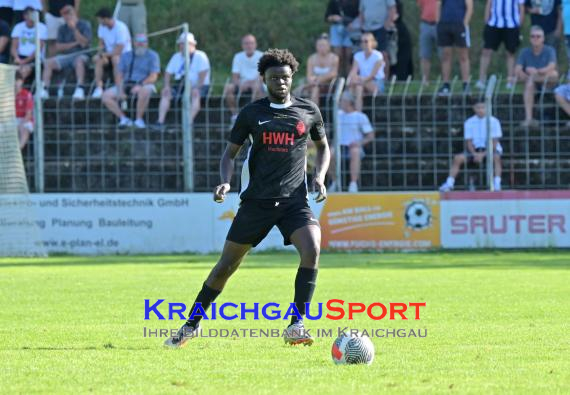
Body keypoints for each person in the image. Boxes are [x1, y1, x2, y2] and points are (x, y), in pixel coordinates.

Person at [164, 48, 330, 349]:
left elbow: (323, 147)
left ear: (293, 78)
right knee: (226, 267)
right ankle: (191, 325)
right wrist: (225, 182)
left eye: (285, 77)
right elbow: (230, 154)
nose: (281, 82)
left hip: (295, 201)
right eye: (274, 78)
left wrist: (319, 176)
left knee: (313, 248)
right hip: (256, 203)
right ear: (263, 79)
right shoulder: (252, 114)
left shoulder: (309, 111)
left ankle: (296, 324)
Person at [151, 32, 210, 132]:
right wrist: (166, 86)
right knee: (166, 94)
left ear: (192, 45)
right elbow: (168, 73)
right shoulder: (176, 56)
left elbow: (203, 74)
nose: (182, 46)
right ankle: (160, 122)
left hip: (199, 85)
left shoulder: (200, 56)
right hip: (180, 85)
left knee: (196, 95)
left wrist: (197, 88)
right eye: (181, 44)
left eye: (185, 44)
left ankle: (188, 123)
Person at [439, 100, 503, 192]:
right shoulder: (469, 122)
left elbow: (494, 142)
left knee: (497, 157)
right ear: (474, 108)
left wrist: (483, 154)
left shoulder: (494, 121)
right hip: (474, 150)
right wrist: (474, 154)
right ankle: (449, 183)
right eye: (478, 107)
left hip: (490, 150)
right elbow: (469, 141)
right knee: (458, 158)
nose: (481, 110)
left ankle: (497, 183)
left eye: (483, 107)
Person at [101, 33, 159, 129]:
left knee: (145, 91)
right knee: (106, 96)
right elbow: (119, 75)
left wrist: (140, 85)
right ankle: (123, 119)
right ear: (133, 43)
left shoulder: (153, 56)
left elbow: (154, 76)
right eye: (138, 42)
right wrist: (120, 90)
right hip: (126, 83)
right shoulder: (125, 56)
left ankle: (139, 120)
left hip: (144, 83)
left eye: (143, 42)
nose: (140, 44)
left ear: (147, 43)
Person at [40, 5, 91, 100]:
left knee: (79, 61)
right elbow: (59, 47)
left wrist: (74, 29)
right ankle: (44, 89)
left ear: (74, 14)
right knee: (48, 62)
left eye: (69, 14)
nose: (67, 17)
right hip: (66, 55)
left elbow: (84, 44)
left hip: (82, 54)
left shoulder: (84, 25)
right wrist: (75, 43)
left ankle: (80, 88)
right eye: (64, 15)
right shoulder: (62, 28)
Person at [328, 92, 374, 192]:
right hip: (339, 145)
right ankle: (335, 182)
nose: (339, 103)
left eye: (342, 101)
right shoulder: (338, 115)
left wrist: (359, 143)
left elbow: (370, 136)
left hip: (354, 145)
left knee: (355, 152)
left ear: (348, 102)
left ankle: (353, 184)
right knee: (328, 154)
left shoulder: (361, 117)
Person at [515, 25, 559, 127]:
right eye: (533, 36)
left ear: (543, 38)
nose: (535, 38)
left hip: (546, 80)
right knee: (529, 83)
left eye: (538, 36)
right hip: (533, 81)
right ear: (530, 38)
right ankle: (529, 118)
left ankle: (533, 79)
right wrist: (523, 74)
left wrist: (536, 72)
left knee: (554, 74)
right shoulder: (524, 51)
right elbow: (517, 69)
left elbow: (551, 66)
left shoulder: (549, 50)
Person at [477, 0, 525, 90]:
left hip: (512, 24)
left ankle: (510, 81)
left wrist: (519, 24)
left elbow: (521, 6)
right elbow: (489, 2)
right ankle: (481, 80)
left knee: (510, 53)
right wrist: (487, 20)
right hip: (494, 23)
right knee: (486, 51)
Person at [91, 7, 132, 99]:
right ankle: (99, 88)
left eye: (100, 20)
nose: (99, 22)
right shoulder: (102, 27)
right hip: (108, 54)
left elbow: (119, 50)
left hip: (124, 55)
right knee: (98, 60)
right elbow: (101, 43)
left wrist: (104, 55)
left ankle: (118, 87)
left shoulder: (121, 28)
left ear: (105, 19)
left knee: (115, 59)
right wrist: (100, 54)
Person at [224, 34, 263, 125]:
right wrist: (240, 83)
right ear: (242, 45)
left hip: (257, 84)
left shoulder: (261, 56)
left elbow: (262, 76)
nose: (249, 45)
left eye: (251, 43)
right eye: (246, 43)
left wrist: (253, 82)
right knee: (228, 88)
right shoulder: (238, 57)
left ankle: (254, 116)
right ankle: (235, 115)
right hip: (242, 84)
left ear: (255, 44)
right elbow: (235, 77)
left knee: (257, 87)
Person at [437, 0, 473, 95]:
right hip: (445, 24)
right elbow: (438, 4)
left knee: (463, 56)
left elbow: (470, 7)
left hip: (459, 24)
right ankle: (446, 85)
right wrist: (439, 22)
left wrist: (464, 23)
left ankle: (466, 84)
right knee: (446, 55)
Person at [348, 32, 385, 111]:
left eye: (366, 41)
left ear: (372, 42)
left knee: (357, 85)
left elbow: (372, 75)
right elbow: (353, 71)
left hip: (376, 83)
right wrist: (351, 79)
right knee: (358, 87)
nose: (363, 43)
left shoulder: (378, 56)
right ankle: (358, 114)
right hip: (361, 82)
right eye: (362, 41)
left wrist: (357, 80)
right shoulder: (358, 55)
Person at [325, 0, 361, 76]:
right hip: (336, 28)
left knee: (349, 56)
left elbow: (360, 15)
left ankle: (348, 77)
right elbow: (327, 17)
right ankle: (337, 76)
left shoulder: (356, 2)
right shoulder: (334, 2)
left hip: (350, 29)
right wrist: (333, 17)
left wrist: (353, 23)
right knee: (338, 55)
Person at [10, 6, 47, 81]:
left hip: (35, 59)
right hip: (20, 58)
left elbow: (39, 48)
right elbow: (13, 47)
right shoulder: (18, 27)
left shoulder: (42, 27)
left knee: (23, 71)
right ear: (24, 16)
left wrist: (24, 62)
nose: (30, 17)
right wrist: (17, 58)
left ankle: (21, 90)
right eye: (28, 15)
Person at [301, 34, 339, 104]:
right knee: (313, 88)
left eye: (323, 45)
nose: (321, 48)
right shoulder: (311, 58)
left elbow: (334, 73)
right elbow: (309, 75)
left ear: (328, 46)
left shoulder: (334, 58)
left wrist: (319, 79)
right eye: (319, 45)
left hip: (328, 85)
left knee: (314, 89)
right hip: (313, 84)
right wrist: (312, 80)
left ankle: (314, 113)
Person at [359, 0, 396, 71]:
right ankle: (369, 76)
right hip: (367, 28)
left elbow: (392, 8)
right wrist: (361, 26)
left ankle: (384, 79)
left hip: (381, 28)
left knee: (383, 54)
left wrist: (387, 24)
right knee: (367, 53)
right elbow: (361, 11)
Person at [389, 0, 413, 80]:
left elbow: (395, 17)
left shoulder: (396, 3)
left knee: (402, 60)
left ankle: (401, 79)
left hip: (399, 33)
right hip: (391, 31)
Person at [417, 0, 439, 84]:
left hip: (440, 24)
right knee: (424, 54)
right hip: (425, 24)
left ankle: (445, 81)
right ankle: (425, 80)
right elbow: (421, 6)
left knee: (444, 54)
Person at [15, 72, 34, 150]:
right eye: (13, 80)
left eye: (17, 80)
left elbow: (29, 114)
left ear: (22, 81)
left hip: (25, 119)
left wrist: (20, 124)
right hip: (12, 119)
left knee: (24, 128)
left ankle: (18, 150)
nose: (15, 83)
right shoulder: (7, 95)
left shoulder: (27, 94)